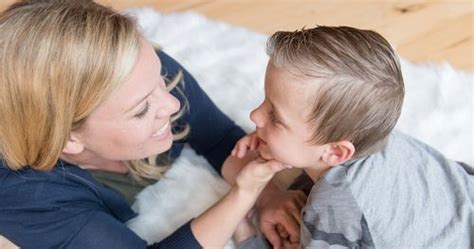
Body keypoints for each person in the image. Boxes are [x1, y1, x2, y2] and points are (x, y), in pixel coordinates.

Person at [0, 0, 303, 248]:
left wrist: (270, 196)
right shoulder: (30, 199)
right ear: (68, 139)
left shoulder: (145, 72)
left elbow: (217, 137)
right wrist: (244, 193)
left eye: (160, 79)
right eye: (142, 109)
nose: (172, 104)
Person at [232, 26, 473, 248]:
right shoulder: (371, 131)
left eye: (275, 117)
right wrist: (268, 139)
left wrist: (248, 240)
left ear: (336, 152)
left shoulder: (333, 207)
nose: (254, 115)